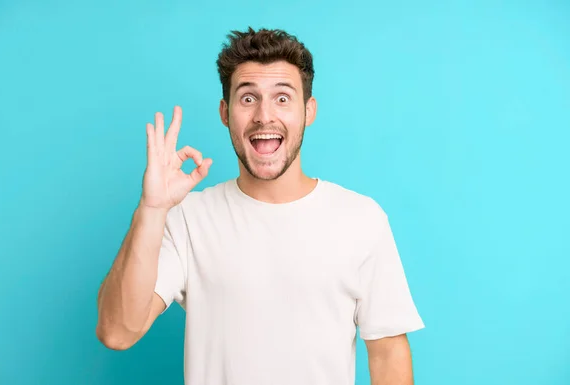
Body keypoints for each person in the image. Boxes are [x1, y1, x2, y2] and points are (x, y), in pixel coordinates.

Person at [96, 27, 425, 385]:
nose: (264, 116)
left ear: (308, 110)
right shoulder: (187, 218)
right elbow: (117, 332)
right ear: (225, 112)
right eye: (248, 98)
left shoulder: (361, 220)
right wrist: (152, 209)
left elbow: (389, 353)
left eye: (282, 98)